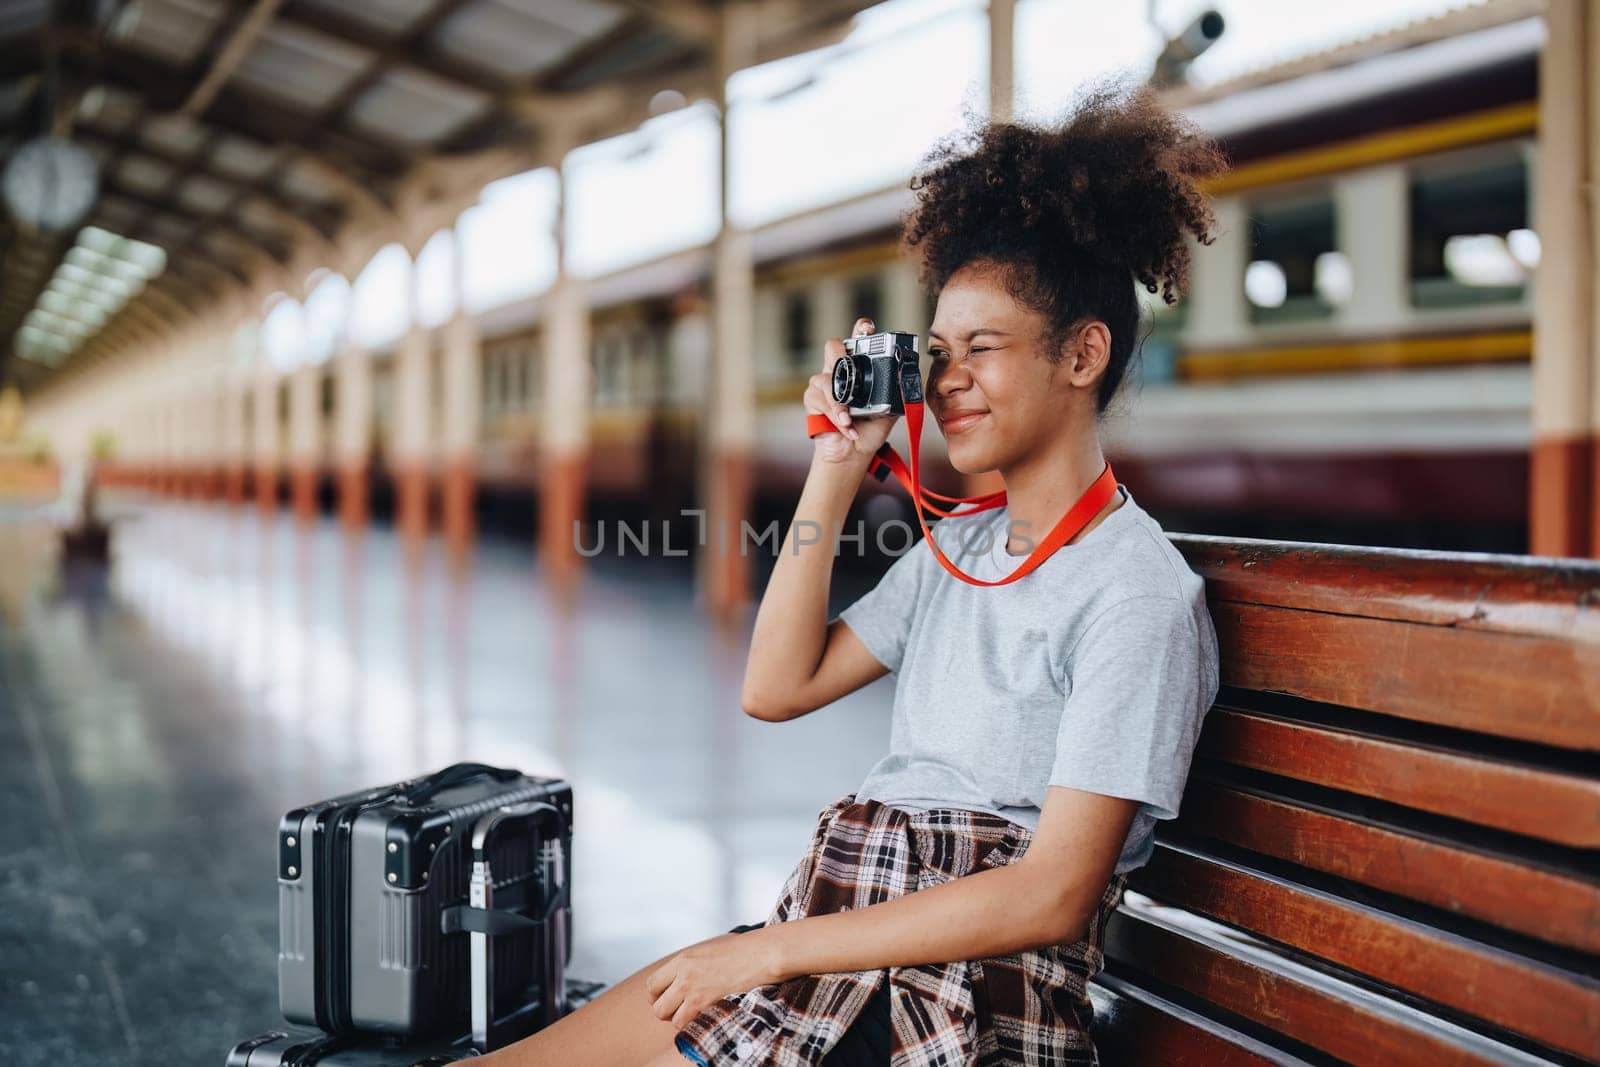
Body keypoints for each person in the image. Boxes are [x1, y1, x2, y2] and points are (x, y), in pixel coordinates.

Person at [479, 75, 1226, 1067]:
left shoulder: (1134, 593)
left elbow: (1052, 891)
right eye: (937, 351)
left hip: (970, 1005)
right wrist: (835, 469)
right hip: (842, 953)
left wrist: (763, 950)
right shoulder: (956, 550)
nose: (946, 378)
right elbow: (774, 686)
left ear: (1082, 353)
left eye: (982, 348)